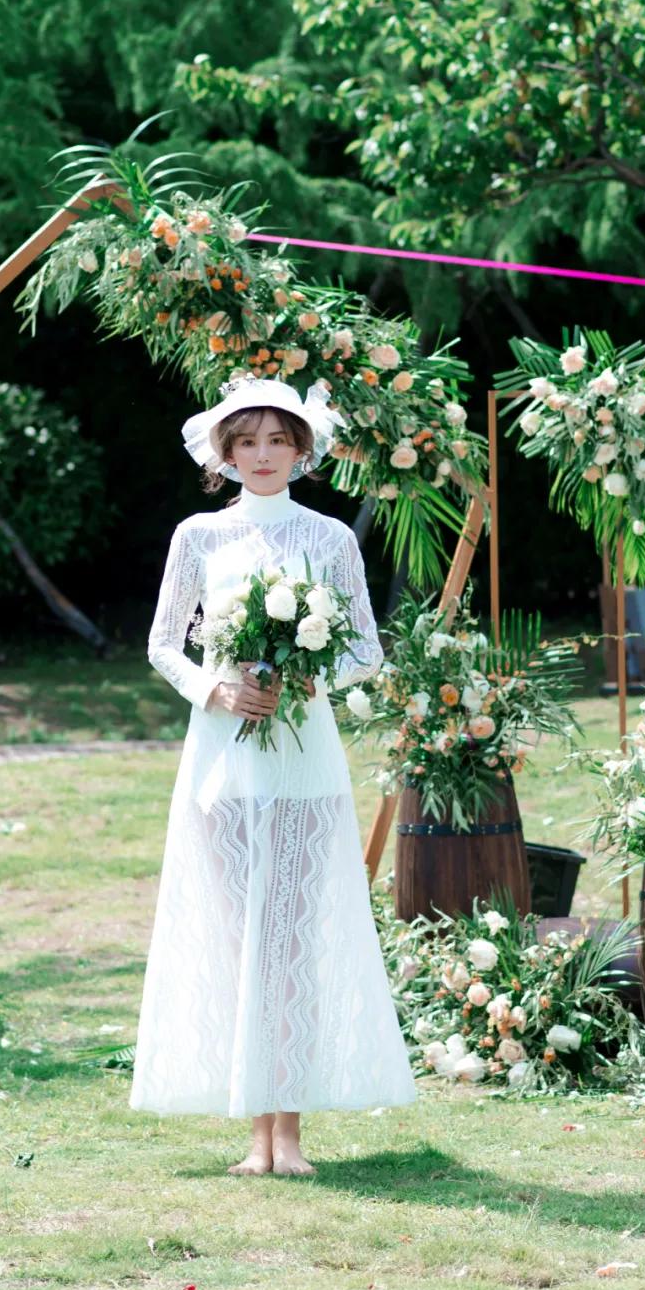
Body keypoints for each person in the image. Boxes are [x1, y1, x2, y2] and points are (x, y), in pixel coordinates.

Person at [130, 374, 417, 1175]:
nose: (263, 455)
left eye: (278, 440)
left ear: (301, 450)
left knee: (289, 944)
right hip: (222, 761)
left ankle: (287, 1136)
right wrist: (215, 688)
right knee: (238, 941)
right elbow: (163, 643)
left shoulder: (330, 539)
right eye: (248, 441)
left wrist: (310, 676)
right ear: (225, 453)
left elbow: (366, 649)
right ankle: (253, 1134)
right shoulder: (197, 536)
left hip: (304, 759)